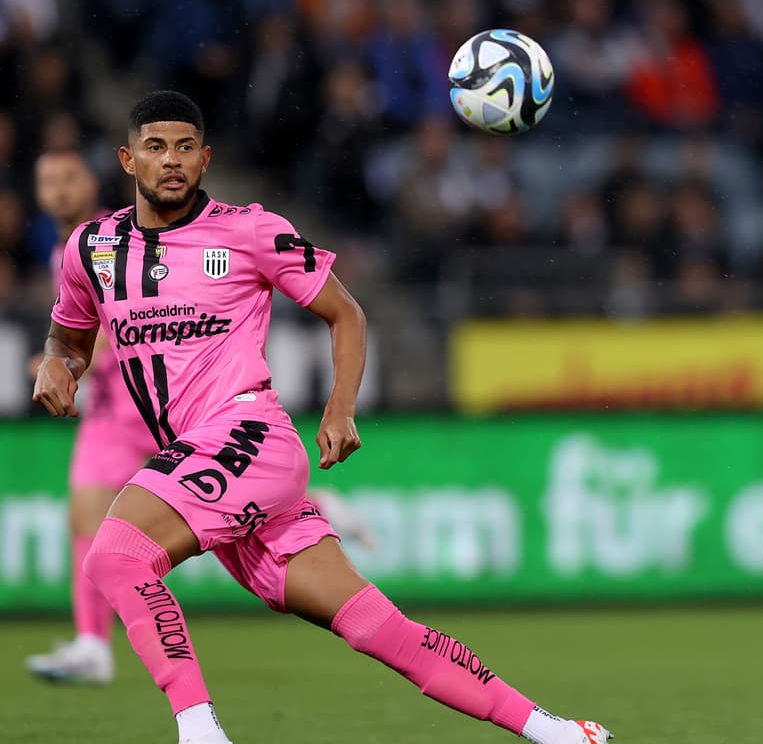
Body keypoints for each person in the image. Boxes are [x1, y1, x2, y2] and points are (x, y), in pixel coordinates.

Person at [32, 91, 612, 744]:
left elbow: (347, 313)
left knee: (116, 554)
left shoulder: (250, 231)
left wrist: (340, 407)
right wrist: (58, 363)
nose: (172, 161)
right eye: (156, 147)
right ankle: (556, 730)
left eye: (186, 148)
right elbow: (70, 335)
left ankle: (199, 731)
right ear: (127, 158)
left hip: (247, 437)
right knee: (377, 627)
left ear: (206, 158)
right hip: (207, 464)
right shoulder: (92, 248)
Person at [25, 149, 156, 685]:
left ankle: (314, 508)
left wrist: (70, 362)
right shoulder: (64, 247)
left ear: (89, 184)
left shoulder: (109, 239)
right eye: (48, 180)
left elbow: (124, 314)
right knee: (87, 517)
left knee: (230, 517)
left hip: (152, 397)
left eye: (68, 178)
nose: (58, 189)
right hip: (108, 409)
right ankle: (92, 645)